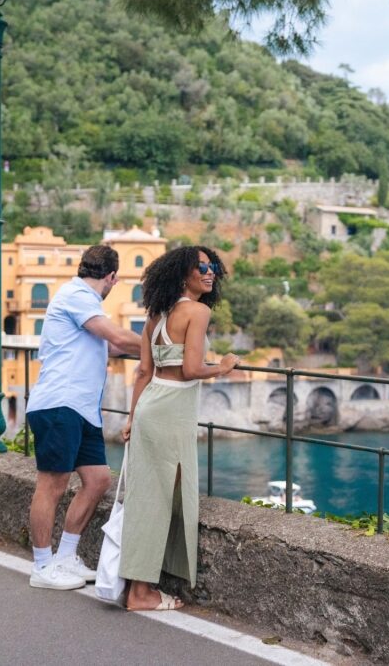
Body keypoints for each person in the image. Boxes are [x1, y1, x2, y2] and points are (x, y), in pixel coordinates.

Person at [119, 246, 240, 611]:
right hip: (172, 410)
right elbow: (190, 369)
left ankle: (139, 583)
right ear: (182, 274)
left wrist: (131, 417)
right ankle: (140, 593)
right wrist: (222, 366)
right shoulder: (198, 312)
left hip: (152, 405)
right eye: (200, 267)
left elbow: (143, 372)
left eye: (213, 266)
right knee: (159, 500)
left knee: (149, 497)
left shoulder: (156, 314)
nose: (209, 272)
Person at [25, 244, 142, 590]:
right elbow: (118, 336)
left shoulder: (85, 305)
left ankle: (65, 557)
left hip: (82, 409)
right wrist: (158, 347)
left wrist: (156, 345)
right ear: (111, 277)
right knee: (53, 483)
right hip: (59, 402)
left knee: (98, 480)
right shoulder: (75, 295)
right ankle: (43, 567)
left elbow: (114, 347)